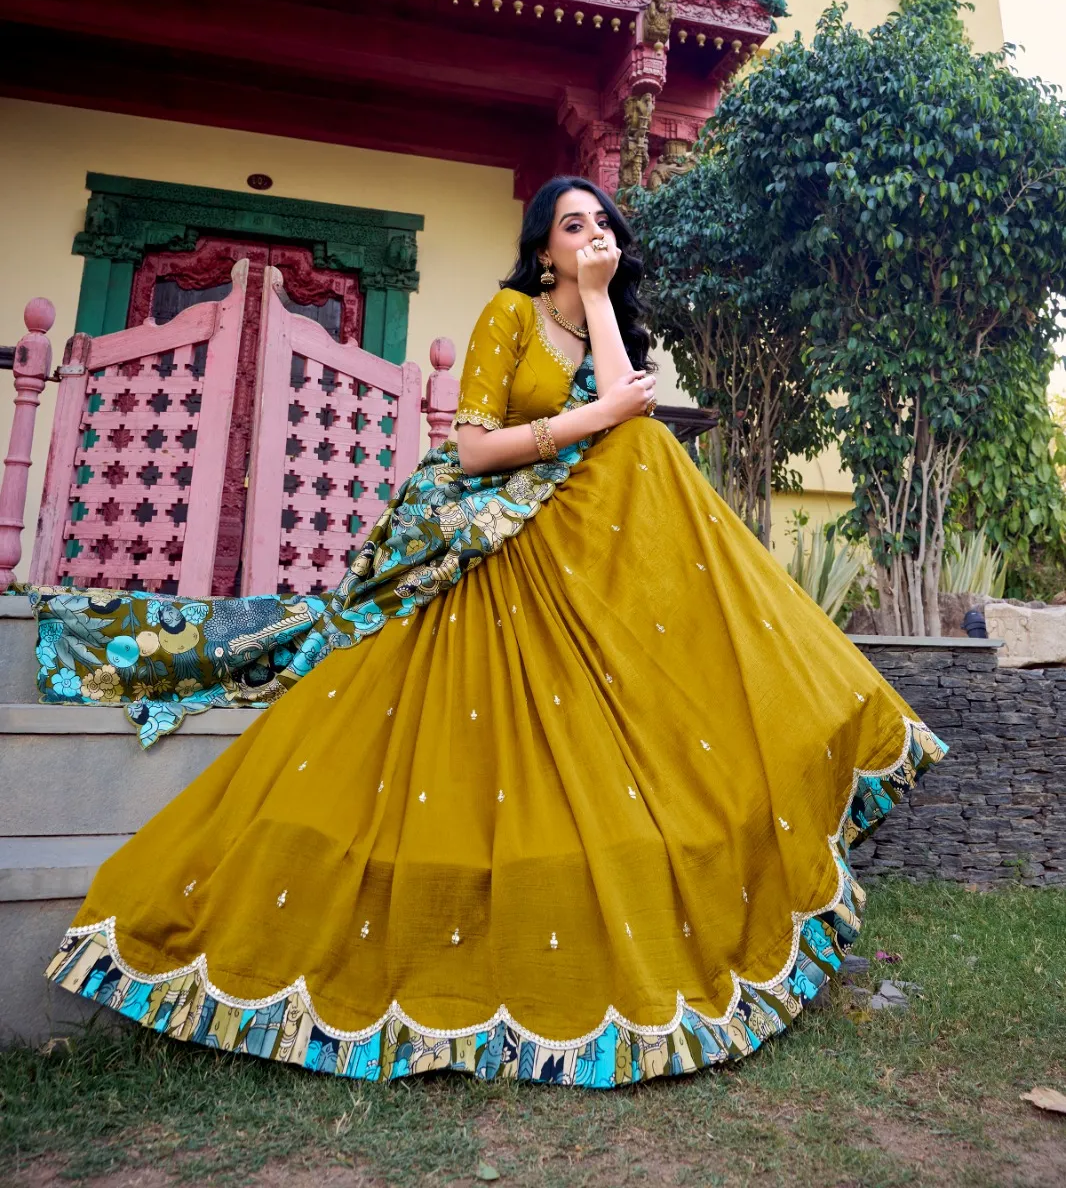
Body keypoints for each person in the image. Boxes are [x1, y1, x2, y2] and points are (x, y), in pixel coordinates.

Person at [42, 177, 946, 1087]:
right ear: (541, 248)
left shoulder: (600, 320)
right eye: (572, 225)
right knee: (638, 443)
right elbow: (476, 448)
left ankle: (798, 695)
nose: (592, 235)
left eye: (602, 223)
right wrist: (589, 418)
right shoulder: (508, 315)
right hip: (487, 515)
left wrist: (600, 304)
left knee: (644, 447)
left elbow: (624, 412)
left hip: (574, 522)